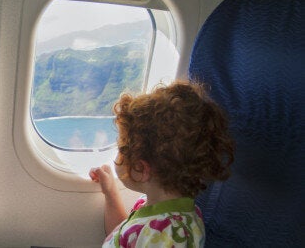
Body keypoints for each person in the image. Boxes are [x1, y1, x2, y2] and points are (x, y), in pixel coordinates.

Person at [89, 81, 235, 247]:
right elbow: (125, 239)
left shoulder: (170, 235)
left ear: (141, 168)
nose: (117, 152)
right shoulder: (161, 212)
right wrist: (111, 193)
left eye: (121, 147)